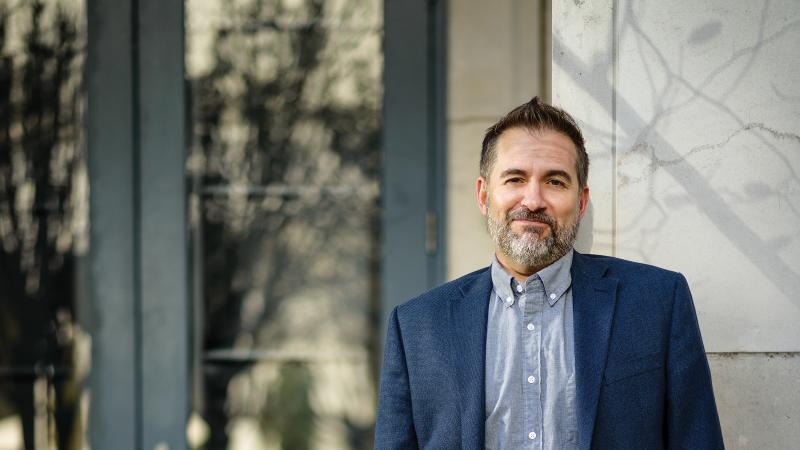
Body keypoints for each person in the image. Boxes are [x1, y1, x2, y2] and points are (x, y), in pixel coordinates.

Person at [374, 97, 724, 449]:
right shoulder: (417, 326)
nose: (533, 200)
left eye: (555, 182)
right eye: (514, 179)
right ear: (483, 195)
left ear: (582, 201)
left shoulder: (658, 303)